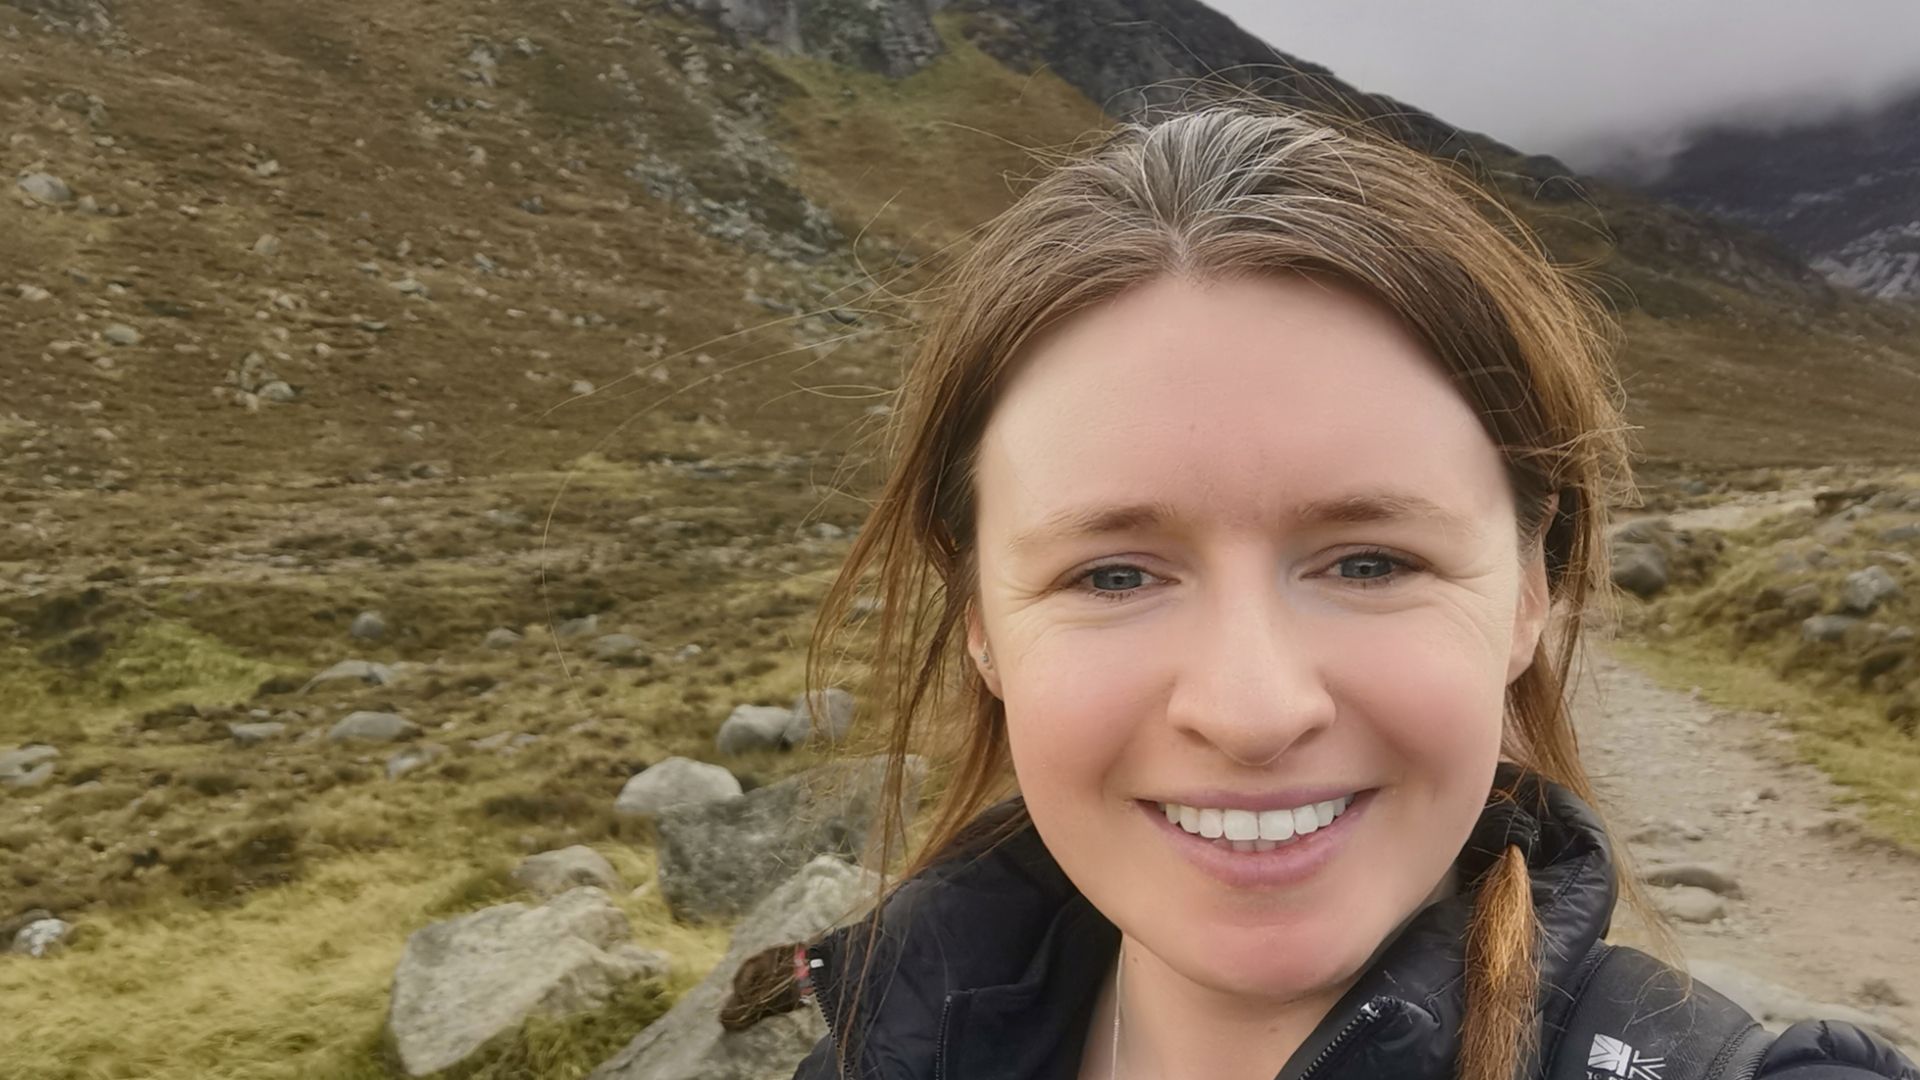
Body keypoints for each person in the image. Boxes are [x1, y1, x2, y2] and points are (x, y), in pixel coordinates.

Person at [729, 100, 1920, 1080]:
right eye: (1113, 573)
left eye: (1369, 561)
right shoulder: (867, 1049)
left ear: (1529, 593)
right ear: (980, 623)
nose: (1253, 710)